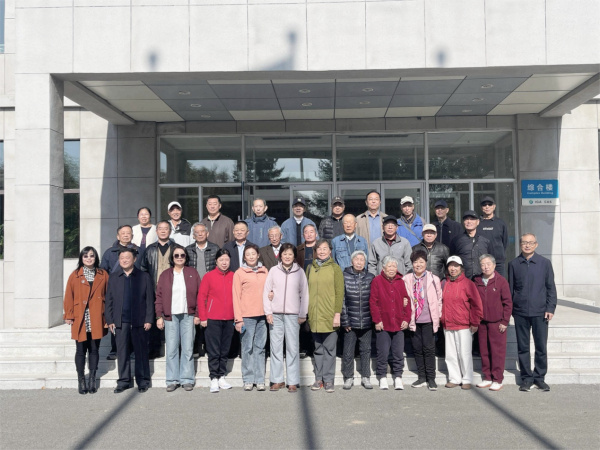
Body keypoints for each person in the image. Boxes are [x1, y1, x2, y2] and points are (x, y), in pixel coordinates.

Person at [508, 234, 557, 392]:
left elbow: (551, 288)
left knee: (541, 347)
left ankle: (539, 378)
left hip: (540, 312)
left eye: (530, 243)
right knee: (523, 347)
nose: (527, 245)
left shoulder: (544, 263)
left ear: (536, 245)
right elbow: (510, 289)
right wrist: (511, 309)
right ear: (520, 244)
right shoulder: (514, 264)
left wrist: (550, 308)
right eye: (524, 242)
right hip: (520, 312)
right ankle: (526, 378)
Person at [105, 248, 155, 393]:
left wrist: (149, 318)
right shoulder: (114, 277)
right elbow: (109, 300)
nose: (124, 260)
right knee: (122, 352)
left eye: (127, 257)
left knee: (141, 352)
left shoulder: (144, 276)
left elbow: (149, 300)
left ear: (134, 259)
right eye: (121, 258)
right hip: (121, 321)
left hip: (140, 321)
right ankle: (124, 381)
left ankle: (143, 380)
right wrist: (110, 320)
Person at [263, 243, 309, 393]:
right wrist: (268, 312)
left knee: (292, 348)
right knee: (275, 348)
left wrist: (302, 313)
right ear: (280, 255)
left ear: (294, 256)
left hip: (293, 315)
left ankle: (292, 381)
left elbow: (305, 294)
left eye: (290, 254)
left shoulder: (300, 272)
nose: (287, 257)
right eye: (285, 254)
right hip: (275, 314)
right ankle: (277, 380)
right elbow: (266, 291)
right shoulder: (273, 270)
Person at [155, 246, 201, 392]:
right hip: (170, 316)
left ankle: (187, 379)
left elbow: (199, 295)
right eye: (176, 255)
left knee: (187, 348)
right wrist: (159, 316)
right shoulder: (165, 275)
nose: (180, 257)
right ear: (172, 258)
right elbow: (159, 297)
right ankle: (172, 380)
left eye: (182, 255)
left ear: (186, 257)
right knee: (172, 349)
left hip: (188, 315)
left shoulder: (192, 273)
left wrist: (198, 314)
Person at [63, 247, 109, 395]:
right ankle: (81, 380)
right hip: (80, 316)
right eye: (85, 256)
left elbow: (109, 296)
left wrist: (108, 317)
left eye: (91, 256)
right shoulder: (75, 275)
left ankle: (92, 379)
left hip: (97, 316)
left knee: (94, 349)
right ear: (81, 259)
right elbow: (68, 296)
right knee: (80, 350)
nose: (89, 258)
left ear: (96, 258)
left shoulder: (103, 274)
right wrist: (68, 315)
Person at [306, 239, 344, 393]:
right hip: (315, 315)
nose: (321, 251)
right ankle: (318, 378)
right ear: (315, 251)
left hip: (329, 315)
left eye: (325, 248)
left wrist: (337, 314)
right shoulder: (310, 268)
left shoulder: (335, 268)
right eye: (319, 249)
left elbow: (339, 293)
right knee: (318, 349)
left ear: (330, 251)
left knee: (329, 349)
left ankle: (328, 380)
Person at [441, 256, 483, 390]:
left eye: (456, 266)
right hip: (448, 324)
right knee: (450, 354)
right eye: (450, 266)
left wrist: (475, 322)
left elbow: (476, 304)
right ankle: (454, 378)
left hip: (464, 324)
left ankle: (467, 379)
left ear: (461, 268)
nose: (453, 269)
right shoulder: (444, 283)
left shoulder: (468, 284)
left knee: (464, 353)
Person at [369, 256, 411, 390]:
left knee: (398, 352)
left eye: (394, 266)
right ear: (383, 268)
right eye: (389, 266)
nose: (392, 269)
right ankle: (382, 376)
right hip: (383, 323)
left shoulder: (400, 281)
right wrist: (377, 320)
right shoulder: (377, 281)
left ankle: (398, 376)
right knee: (382, 352)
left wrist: (406, 319)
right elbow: (373, 302)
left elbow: (407, 301)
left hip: (399, 323)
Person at [404, 250, 443, 391]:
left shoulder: (434, 279)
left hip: (428, 319)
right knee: (417, 349)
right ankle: (421, 377)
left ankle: (431, 378)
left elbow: (439, 299)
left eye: (421, 261)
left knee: (429, 349)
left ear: (426, 263)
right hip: (414, 319)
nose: (418, 264)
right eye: (415, 262)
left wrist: (438, 316)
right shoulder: (407, 279)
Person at [197, 249, 235, 393]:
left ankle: (221, 376)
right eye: (221, 260)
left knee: (224, 349)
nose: (224, 263)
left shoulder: (234, 276)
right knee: (213, 350)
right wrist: (203, 317)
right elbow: (201, 298)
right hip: (212, 318)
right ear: (216, 261)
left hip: (229, 318)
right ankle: (213, 377)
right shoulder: (209, 276)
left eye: (227, 260)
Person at [233, 244, 269, 391]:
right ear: (244, 257)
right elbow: (236, 296)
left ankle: (259, 379)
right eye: (248, 254)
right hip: (247, 316)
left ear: (258, 255)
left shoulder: (264, 271)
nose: (251, 256)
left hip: (263, 315)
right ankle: (248, 379)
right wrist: (238, 319)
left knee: (260, 348)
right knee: (247, 347)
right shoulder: (239, 273)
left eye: (253, 253)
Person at [100, 224, 140, 360]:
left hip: (134, 289)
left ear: (132, 235)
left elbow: (143, 268)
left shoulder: (138, 251)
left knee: (133, 321)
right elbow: (103, 271)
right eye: (123, 233)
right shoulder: (110, 252)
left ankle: (133, 349)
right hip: (116, 290)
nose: (126, 235)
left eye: (128, 233)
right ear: (118, 236)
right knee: (116, 320)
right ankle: (115, 349)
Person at [474, 254, 512, 392]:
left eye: (488, 264)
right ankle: (487, 377)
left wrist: (505, 321)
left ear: (494, 265)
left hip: (497, 322)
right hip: (482, 322)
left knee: (497, 352)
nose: (486, 267)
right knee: (484, 351)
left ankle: (497, 379)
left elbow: (508, 303)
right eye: (483, 264)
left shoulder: (501, 281)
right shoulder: (477, 280)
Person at [141, 220, 176, 359]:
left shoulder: (177, 248)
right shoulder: (149, 249)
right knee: (155, 318)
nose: (163, 231)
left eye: (166, 228)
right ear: (156, 231)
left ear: (170, 231)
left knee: (173, 319)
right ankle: (154, 349)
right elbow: (143, 269)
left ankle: (174, 349)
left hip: (174, 289)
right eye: (160, 228)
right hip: (153, 289)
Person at [341, 250, 375, 390]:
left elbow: (374, 299)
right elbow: (342, 300)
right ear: (351, 261)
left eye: (362, 260)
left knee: (366, 350)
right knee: (348, 351)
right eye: (357, 259)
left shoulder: (371, 277)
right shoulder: (344, 276)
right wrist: (345, 320)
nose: (359, 262)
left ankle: (366, 376)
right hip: (350, 320)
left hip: (367, 320)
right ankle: (348, 377)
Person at [185, 222, 220, 357]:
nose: (200, 234)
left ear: (207, 233)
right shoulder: (188, 250)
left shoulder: (215, 248)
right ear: (193, 235)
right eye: (197, 232)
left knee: (209, 317)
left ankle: (208, 346)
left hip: (210, 288)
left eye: (202, 231)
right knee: (194, 316)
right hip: (193, 288)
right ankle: (196, 346)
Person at [450, 211, 493, 279]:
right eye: (466, 219)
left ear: (478, 222)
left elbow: (491, 258)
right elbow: (452, 261)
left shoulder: (486, 240)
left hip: (482, 279)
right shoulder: (456, 240)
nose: (469, 221)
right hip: (464, 279)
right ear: (463, 222)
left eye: (472, 219)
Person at [477, 196, 509, 276]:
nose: (487, 206)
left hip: (498, 263)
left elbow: (505, 242)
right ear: (481, 207)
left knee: (499, 283)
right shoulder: (477, 223)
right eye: (484, 205)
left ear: (494, 206)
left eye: (490, 204)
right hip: (481, 262)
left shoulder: (501, 223)